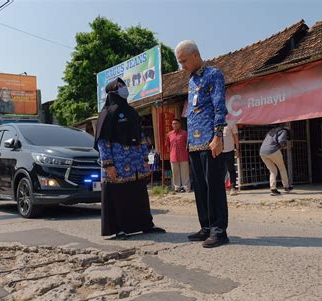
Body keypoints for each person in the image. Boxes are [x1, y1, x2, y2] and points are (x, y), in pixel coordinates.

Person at [95, 78, 165, 240]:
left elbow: (140, 137)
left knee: (139, 194)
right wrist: (108, 164)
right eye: (119, 87)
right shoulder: (107, 113)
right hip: (117, 163)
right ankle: (119, 229)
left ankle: (145, 225)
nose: (124, 89)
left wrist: (146, 160)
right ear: (112, 91)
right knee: (118, 197)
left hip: (135, 163)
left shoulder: (132, 112)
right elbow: (102, 141)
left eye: (123, 86)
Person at [175, 40, 229, 248]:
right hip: (194, 142)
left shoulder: (214, 74)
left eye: (184, 61)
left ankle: (219, 231)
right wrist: (189, 140)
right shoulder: (190, 80)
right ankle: (206, 226)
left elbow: (218, 106)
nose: (182, 66)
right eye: (180, 62)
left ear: (196, 55)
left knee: (214, 186)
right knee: (200, 187)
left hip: (209, 140)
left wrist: (218, 136)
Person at [260, 126, 293, 196]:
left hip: (262, 152)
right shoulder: (284, 131)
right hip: (273, 151)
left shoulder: (271, 131)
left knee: (273, 170)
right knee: (282, 168)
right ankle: (286, 187)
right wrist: (283, 146)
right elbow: (281, 140)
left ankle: (273, 189)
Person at [166, 118, 190, 193]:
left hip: (183, 155)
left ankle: (186, 187)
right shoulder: (169, 134)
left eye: (176, 123)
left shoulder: (184, 133)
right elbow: (167, 145)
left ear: (179, 124)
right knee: (175, 172)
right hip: (173, 156)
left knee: (185, 172)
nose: (175, 125)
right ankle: (177, 187)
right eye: (173, 123)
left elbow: (188, 143)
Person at [223, 121, 240, 196]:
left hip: (229, 149)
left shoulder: (231, 123)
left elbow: (236, 136)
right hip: (219, 151)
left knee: (231, 169)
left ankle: (233, 187)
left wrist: (237, 149)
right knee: (219, 170)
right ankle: (222, 188)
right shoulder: (214, 123)